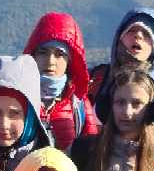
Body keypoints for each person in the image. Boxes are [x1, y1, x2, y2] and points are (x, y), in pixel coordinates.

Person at [24, 11, 99, 152]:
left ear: (69, 60)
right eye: (43, 52)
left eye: (59, 54)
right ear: (33, 55)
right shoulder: (18, 96)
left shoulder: (79, 104)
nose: (50, 61)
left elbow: (92, 153)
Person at [93, 8, 154, 110]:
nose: (138, 35)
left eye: (146, 34)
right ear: (120, 38)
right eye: (131, 30)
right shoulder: (94, 79)